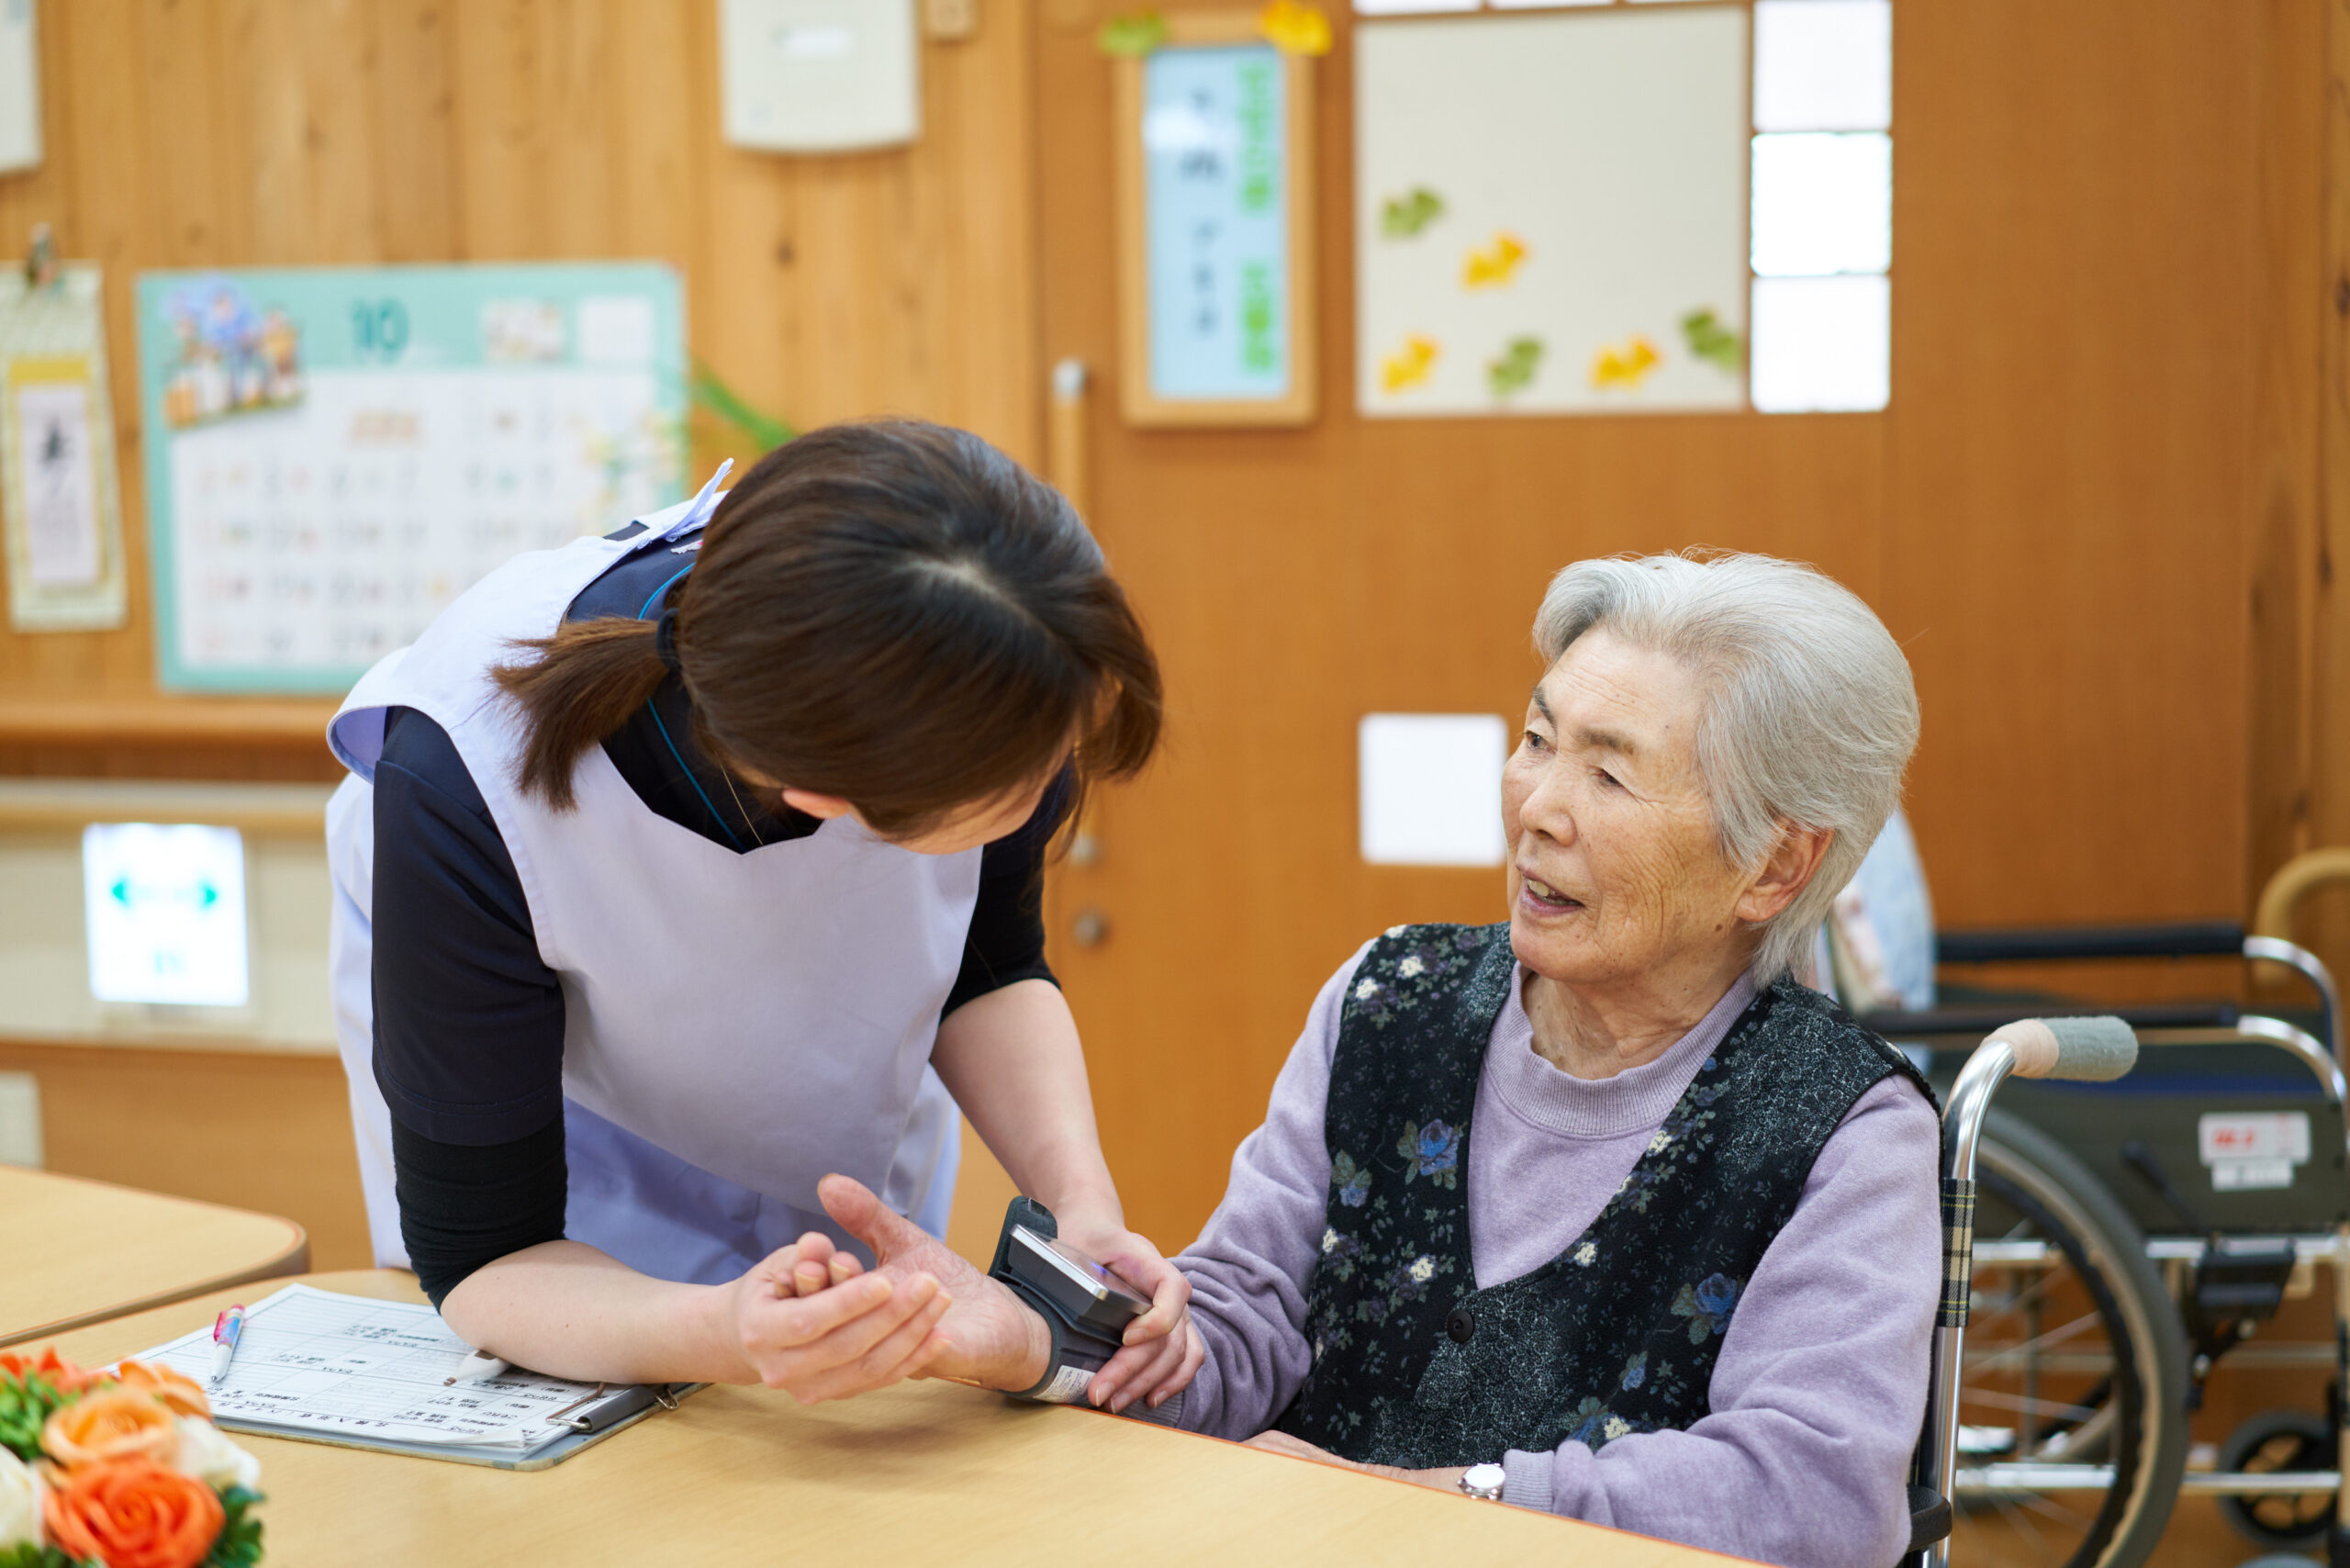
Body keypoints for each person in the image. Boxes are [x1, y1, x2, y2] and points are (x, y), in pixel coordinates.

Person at [808, 552, 1942, 1568]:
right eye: (1538, 740)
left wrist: (1433, 1506)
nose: (1536, 806)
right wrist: (1042, 1345)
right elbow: (1243, 1325)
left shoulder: (1840, 1125)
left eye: (1608, 774)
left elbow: (1812, 1496)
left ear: (1773, 868)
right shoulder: (1389, 1000)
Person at [322, 420, 1192, 1400]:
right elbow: (487, 1257)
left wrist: (1080, 1202)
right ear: (823, 800)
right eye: (1027, 777)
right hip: (566, 1199)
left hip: (816, 1143)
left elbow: (985, 967)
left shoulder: (960, 663)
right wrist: (725, 1331)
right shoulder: (464, 781)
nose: (1052, 790)